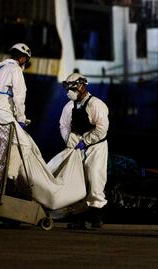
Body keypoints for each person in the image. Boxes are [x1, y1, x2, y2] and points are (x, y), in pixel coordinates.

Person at [59, 72, 109, 228]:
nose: (69, 92)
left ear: (81, 86)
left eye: (72, 88)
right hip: (77, 147)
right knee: (76, 181)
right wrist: (70, 141)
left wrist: (85, 141)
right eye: (68, 88)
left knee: (95, 178)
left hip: (96, 147)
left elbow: (102, 129)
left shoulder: (96, 105)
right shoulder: (69, 106)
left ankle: (96, 218)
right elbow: (64, 125)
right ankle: (79, 217)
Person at [0, 43, 32, 190]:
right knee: (24, 144)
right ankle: (10, 180)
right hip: (3, 116)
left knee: (0, 152)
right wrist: (21, 119)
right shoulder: (15, 70)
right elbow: (19, 97)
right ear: (23, 59)